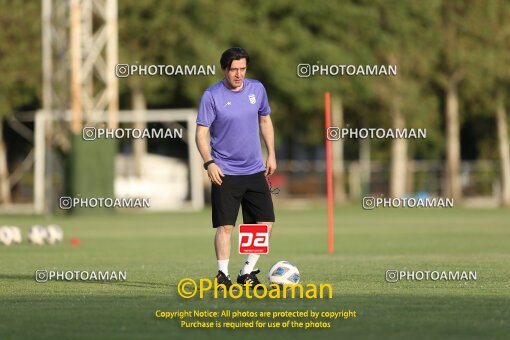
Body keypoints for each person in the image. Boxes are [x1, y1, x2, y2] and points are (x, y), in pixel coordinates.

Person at [195, 47, 276, 290]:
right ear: (224, 70)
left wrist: (271, 154)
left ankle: (247, 271)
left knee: (264, 223)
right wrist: (209, 163)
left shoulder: (257, 89)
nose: (239, 74)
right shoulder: (212, 96)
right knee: (226, 226)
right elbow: (200, 134)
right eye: (234, 69)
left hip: (254, 170)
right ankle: (222, 274)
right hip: (225, 171)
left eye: (242, 69)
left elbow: (265, 120)